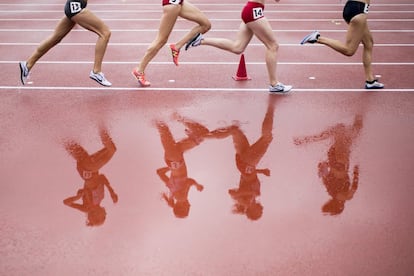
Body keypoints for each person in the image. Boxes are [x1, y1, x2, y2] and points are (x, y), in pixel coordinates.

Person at [185, 0, 292, 94]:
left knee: (238, 48)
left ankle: (200, 40)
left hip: (250, 10)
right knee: (273, 46)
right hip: (254, 11)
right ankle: (274, 84)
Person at [19, 0, 112, 86]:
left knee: (55, 38)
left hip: (75, 6)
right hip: (76, 7)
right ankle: (96, 71)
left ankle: (27, 65)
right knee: (105, 33)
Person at [300, 0, 384, 89]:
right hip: (358, 11)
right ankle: (318, 38)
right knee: (349, 50)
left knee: (369, 43)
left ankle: (370, 80)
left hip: (355, 8)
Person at [293, 115, 363, 215]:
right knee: (348, 134)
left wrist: (356, 173)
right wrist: (323, 166)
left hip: (340, 163)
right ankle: (307, 140)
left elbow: (354, 188)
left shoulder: (343, 197)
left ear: (339, 206)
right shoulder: (330, 191)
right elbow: (324, 175)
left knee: (343, 134)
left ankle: (307, 140)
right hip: (334, 160)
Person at [132, 0, 211, 87]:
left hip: (179, 2)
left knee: (206, 25)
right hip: (172, 3)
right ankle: (139, 70)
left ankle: (177, 47)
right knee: (161, 40)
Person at [63, 127, 118, 226]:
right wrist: (111, 192)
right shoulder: (101, 198)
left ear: (96, 216)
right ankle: (56, 126)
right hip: (91, 168)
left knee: (111, 150)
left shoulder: (87, 208)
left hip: (88, 169)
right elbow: (102, 177)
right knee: (66, 141)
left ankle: (99, 119)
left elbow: (66, 202)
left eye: (104, 217)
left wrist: (78, 196)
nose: (106, 214)